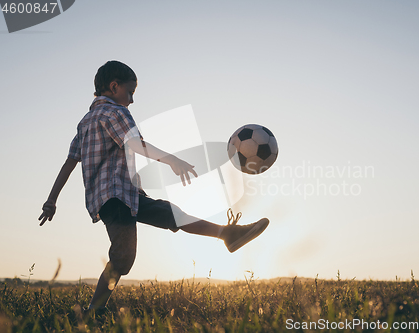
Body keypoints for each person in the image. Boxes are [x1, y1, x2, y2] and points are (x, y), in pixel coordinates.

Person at [38, 60, 269, 311]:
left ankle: (228, 235)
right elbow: (136, 144)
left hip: (121, 196)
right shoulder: (116, 112)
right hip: (115, 197)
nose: (132, 100)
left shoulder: (84, 122)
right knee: (123, 258)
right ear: (114, 86)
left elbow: (69, 162)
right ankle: (92, 312)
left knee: (173, 215)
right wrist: (171, 160)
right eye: (130, 92)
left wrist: (52, 200)